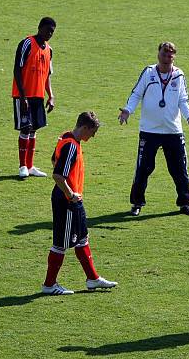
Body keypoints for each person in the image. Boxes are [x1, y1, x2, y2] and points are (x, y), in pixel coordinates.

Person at [118, 41, 189, 216]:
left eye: (170, 56)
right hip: (149, 130)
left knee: (179, 168)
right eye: (164, 55)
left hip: (173, 131)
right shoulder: (149, 72)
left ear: (174, 57)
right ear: (158, 54)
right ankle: (136, 203)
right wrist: (128, 110)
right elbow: (136, 93)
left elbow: (183, 100)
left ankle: (185, 203)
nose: (167, 59)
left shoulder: (179, 75)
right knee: (143, 169)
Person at [42, 111, 117, 295]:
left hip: (74, 200)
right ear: (85, 127)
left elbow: (54, 160)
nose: (92, 137)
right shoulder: (71, 147)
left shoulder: (65, 137)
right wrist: (70, 193)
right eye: (92, 132)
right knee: (60, 243)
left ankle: (93, 279)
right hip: (67, 201)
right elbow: (58, 175)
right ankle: (49, 285)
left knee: (82, 238)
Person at [12, 17, 57, 179]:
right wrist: (22, 97)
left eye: (52, 31)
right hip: (23, 95)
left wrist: (51, 96)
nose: (49, 33)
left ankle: (30, 166)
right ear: (39, 28)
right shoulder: (26, 44)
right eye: (47, 30)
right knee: (25, 128)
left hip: (38, 96)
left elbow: (47, 75)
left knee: (33, 129)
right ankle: (22, 165)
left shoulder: (49, 50)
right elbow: (17, 70)